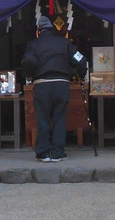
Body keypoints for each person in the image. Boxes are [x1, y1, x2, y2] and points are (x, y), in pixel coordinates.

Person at [21, 15, 88, 162]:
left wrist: (29, 76)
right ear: (52, 28)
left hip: (42, 84)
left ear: (39, 31)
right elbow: (81, 60)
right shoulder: (65, 43)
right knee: (59, 118)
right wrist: (82, 76)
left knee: (43, 119)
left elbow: (29, 61)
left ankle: (43, 153)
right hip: (61, 84)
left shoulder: (34, 44)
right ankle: (58, 153)